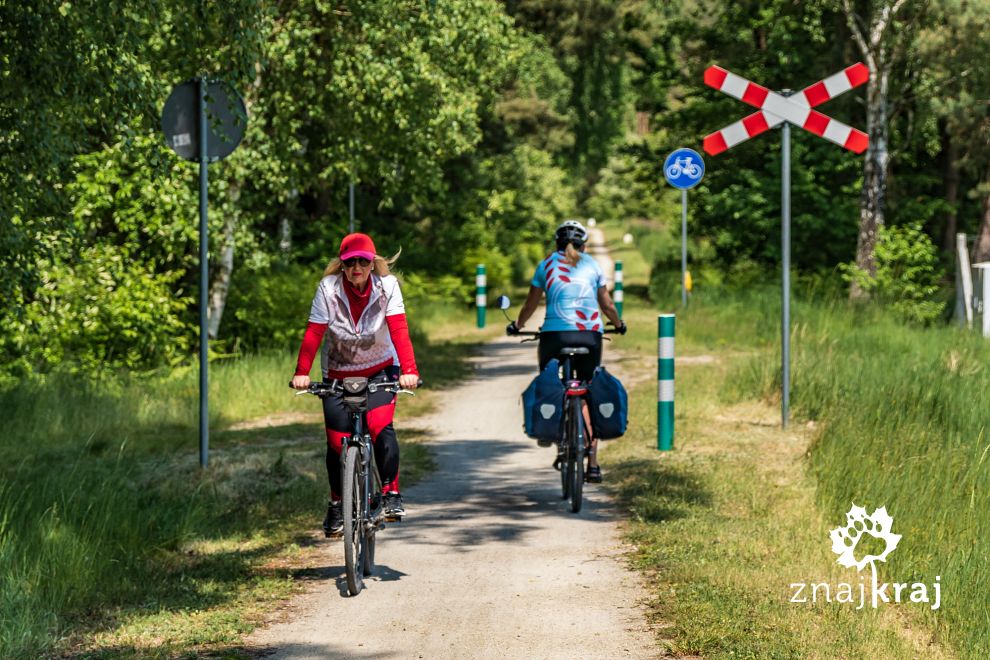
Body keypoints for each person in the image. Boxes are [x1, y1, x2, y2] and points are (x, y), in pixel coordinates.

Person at [291, 232, 420, 537]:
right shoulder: (328, 288)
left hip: (381, 370)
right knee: (337, 444)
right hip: (338, 372)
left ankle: (390, 493)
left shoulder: (387, 287)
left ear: (373, 264)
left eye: (363, 262)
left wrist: (410, 370)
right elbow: (314, 333)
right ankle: (338, 503)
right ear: (343, 266)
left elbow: (399, 329)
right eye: (350, 263)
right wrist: (302, 372)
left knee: (379, 427)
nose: (357, 268)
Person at [506, 220, 625, 483]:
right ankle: (593, 464)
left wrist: (517, 325)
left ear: (556, 243)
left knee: (551, 382)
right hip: (590, 335)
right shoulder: (592, 265)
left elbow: (530, 305)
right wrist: (618, 324)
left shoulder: (545, 265)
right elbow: (606, 304)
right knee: (589, 388)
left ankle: (555, 431)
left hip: (554, 337)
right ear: (584, 244)